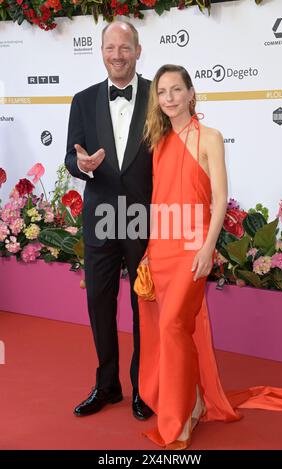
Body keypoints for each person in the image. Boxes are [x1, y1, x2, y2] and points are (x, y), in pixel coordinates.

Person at [136, 64, 282, 450]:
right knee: (170, 332)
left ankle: (178, 421)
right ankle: (190, 404)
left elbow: (220, 198)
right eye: (162, 92)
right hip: (162, 248)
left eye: (177, 90)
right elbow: (158, 203)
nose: (170, 98)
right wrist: (146, 249)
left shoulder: (210, 137)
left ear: (192, 94)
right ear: (157, 100)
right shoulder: (158, 142)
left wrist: (209, 248)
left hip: (194, 248)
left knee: (175, 324)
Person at [65, 21, 153, 421]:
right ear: (101, 51)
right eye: (110, 47)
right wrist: (80, 165)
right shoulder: (82, 100)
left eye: (125, 47)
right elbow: (70, 155)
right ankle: (107, 385)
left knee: (143, 304)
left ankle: (144, 388)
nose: (117, 55)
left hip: (145, 214)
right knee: (99, 302)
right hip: (100, 214)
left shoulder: (158, 95)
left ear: (138, 49)